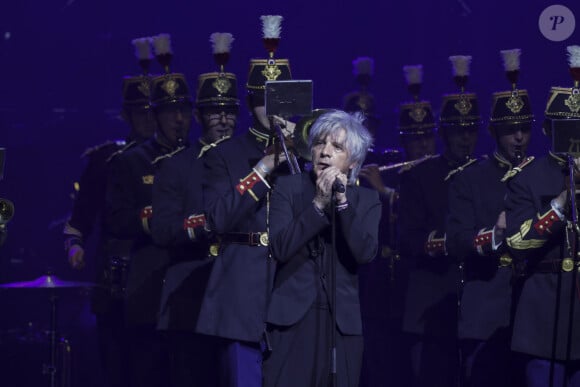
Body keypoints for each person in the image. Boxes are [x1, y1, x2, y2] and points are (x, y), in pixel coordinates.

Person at [198, 15, 297, 387]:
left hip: (293, 285)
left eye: (282, 100)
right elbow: (217, 218)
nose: (273, 110)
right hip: (242, 285)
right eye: (264, 101)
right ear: (251, 101)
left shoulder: (304, 153)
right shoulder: (225, 154)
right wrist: (265, 166)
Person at [62, 36, 157, 387]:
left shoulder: (175, 159)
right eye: (141, 113)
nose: (148, 119)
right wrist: (76, 246)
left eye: (153, 111)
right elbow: (80, 218)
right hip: (116, 282)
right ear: (126, 115)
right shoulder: (105, 161)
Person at [261, 109, 380, 387]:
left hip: (341, 323)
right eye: (319, 144)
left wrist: (341, 204)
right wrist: (317, 205)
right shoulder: (288, 189)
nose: (324, 152)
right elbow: (279, 247)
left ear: (352, 162)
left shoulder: (366, 200)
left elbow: (365, 253)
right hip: (292, 319)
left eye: (337, 147)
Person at [151, 32, 240, 387]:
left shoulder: (252, 163)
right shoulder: (175, 166)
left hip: (242, 302)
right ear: (199, 117)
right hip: (192, 301)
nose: (223, 119)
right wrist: (208, 224)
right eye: (214, 112)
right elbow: (162, 230)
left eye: (229, 111)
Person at [105, 33, 191, 387]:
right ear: (155, 116)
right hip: (149, 291)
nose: (179, 120)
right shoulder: (130, 162)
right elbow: (117, 220)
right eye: (170, 112)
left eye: (184, 111)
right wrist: (155, 218)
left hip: (193, 291)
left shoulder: (203, 158)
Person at [447, 48, 534, 387]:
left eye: (524, 129)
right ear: (495, 132)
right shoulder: (471, 178)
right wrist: (495, 234)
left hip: (532, 311)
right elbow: (455, 241)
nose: (518, 137)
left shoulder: (541, 175)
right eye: (511, 129)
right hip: (486, 308)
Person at [398, 54, 481, 387]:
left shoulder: (486, 174)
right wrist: (452, 241)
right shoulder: (421, 176)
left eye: (471, 130)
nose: (466, 138)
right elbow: (407, 238)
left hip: (475, 307)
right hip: (429, 304)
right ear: (444, 132)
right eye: (458, 131)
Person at [358, 63, 438, 387]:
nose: (422, 146)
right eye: (414, 139)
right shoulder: (391, 170)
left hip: (419, 288)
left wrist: (384, 193)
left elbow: (428, 217)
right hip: (380, 291)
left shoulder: (442, 174)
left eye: (426, 137)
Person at [504, 45, 580, 387]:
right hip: (544, 310)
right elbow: (518, 243)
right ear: (548, 131)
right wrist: (562, 203)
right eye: (566, 129)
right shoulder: (527, 177)